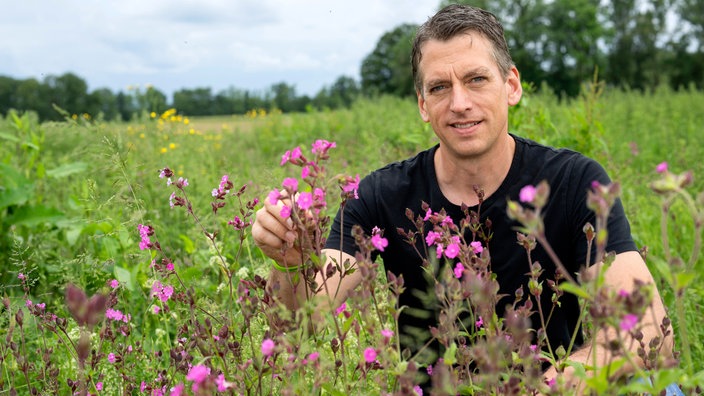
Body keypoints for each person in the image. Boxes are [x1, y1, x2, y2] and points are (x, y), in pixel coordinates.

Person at [252, 4, 675, 393]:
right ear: (422, 105)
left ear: (511, 85)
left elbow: (653, 329)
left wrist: (551, 387)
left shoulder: (573, 181)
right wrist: (293, 263)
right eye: (439, 88)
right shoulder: (380, 195)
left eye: (476, 79)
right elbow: (301, 318)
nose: (459, 103)